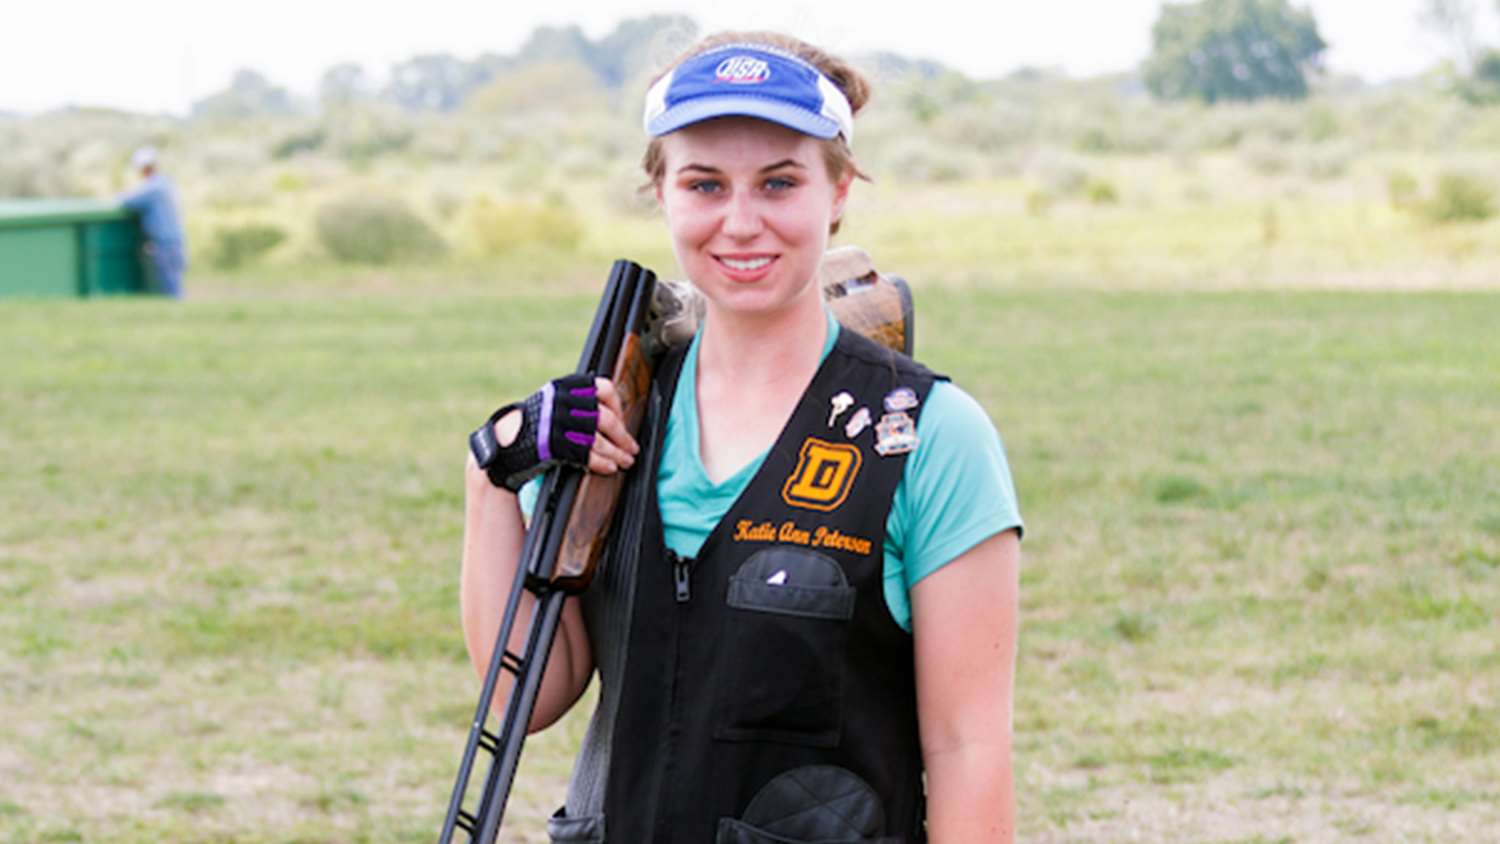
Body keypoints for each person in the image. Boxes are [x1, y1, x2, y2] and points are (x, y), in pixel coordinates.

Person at [461, 32, 1023, 843]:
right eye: (705, 184)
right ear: (662, 194)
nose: (741, 222)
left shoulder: (927, 436)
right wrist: (494, 476)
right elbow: (529, 697)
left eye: (779, 183)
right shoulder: (612, 422)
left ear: (838, 191)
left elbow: (968, 748)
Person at [119, 146, 187, 298]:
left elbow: (129, 201)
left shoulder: (154, 188)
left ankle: (176, 311)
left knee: (170, 283)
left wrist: (120, 195)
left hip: (165, 241)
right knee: (174, 281)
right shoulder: (166, 183)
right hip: (175, 239)